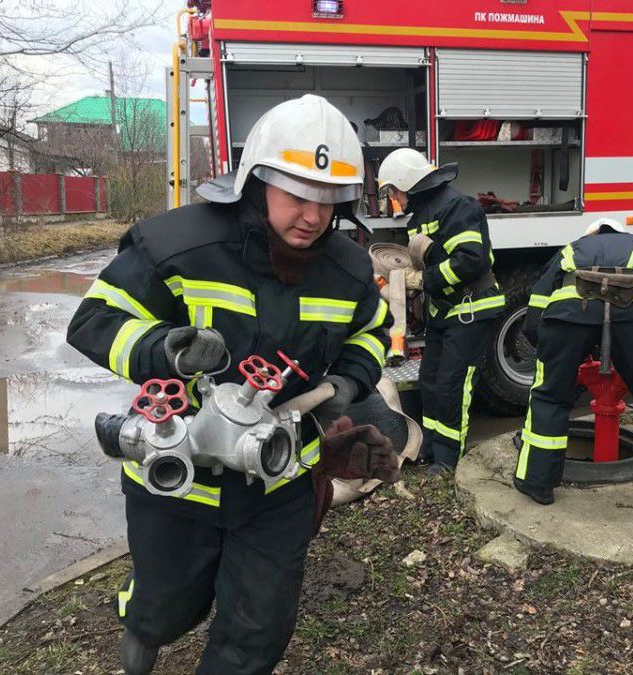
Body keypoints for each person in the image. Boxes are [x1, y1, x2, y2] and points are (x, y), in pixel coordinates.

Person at [67, 94, 392, 674]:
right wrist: (161, 348)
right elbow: (93, 320)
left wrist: (348, 380)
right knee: (166, 606)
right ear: (257, 179)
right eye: (297, 195)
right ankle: (144, 628)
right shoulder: (178, 246)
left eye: (328, 200)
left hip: (278, 481)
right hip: (177, 477)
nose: (313, 217)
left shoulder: (348, 270)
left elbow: (372, 332)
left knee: (258, 629)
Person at [514, 217, 633, 505]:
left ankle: (539, 484)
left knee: (550, 395)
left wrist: (552, 352)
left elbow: (536, 312)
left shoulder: (570, 250)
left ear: (592, 234)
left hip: (569, 315)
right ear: (621, 234)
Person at [377, 148, 504, 474]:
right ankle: (431, 447)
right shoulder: (422, 214)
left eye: (393, 189)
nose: (393, 198)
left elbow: (471, 260)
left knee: (451, 384)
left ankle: (448, 458)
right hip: (446, 311)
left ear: (406, 182)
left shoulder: (456, 207)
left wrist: (423, 279)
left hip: (472, 309)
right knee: (431, 380)